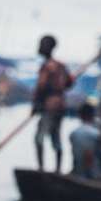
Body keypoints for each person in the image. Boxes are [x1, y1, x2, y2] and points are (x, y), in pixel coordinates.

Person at [32, 34, 73, 173]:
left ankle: (41, 170)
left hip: (49, 107)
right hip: (60, 107)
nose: (39, 47)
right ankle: (57, 170)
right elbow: (69, 83)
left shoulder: (47, 67)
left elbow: (41, 87)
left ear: (48, 47)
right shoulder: (61, 66)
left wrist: (35, 106)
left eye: (42, 44)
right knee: (56, 138)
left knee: (39, 138)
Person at [69, 102, 101, 179]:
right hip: (93, 175)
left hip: (78, 173)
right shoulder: (95, 134)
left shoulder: (74, 133)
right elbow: (88, 156)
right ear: (93, 115)